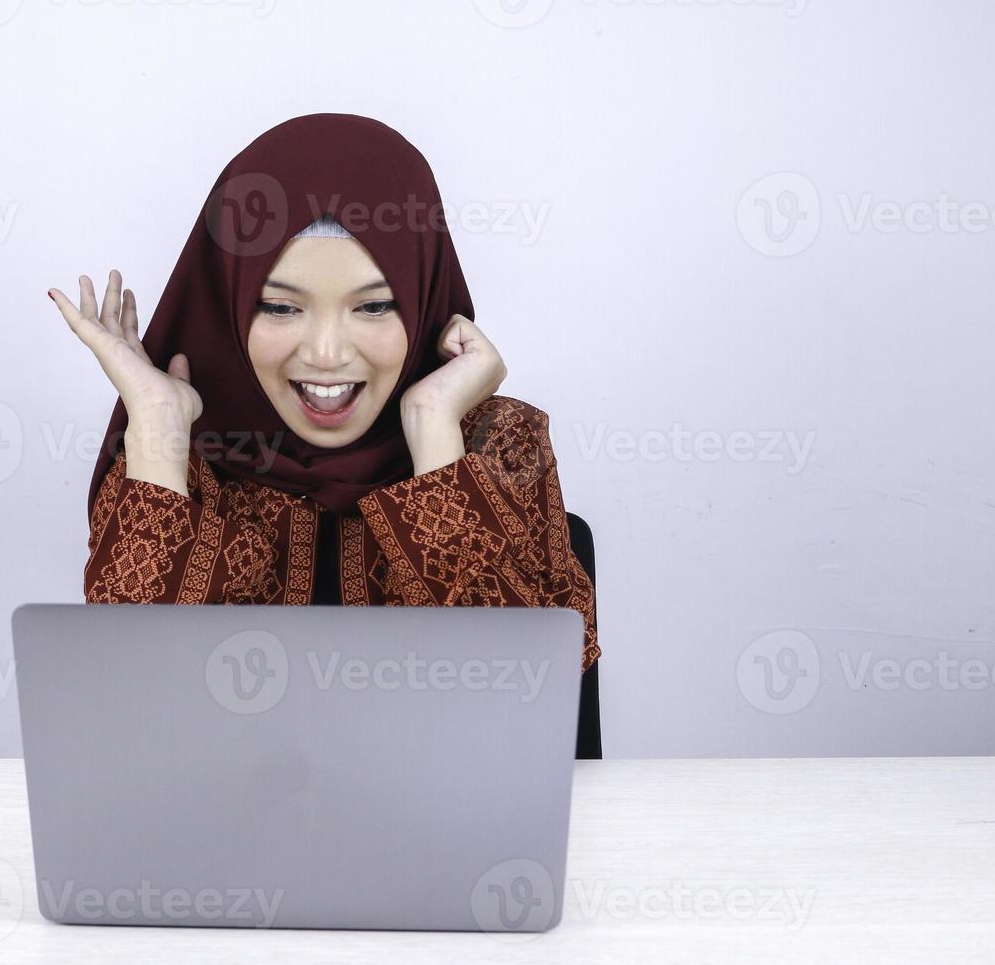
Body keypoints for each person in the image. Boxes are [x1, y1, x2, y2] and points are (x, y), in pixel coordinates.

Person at [49, 114, 600, 746]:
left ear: (422, 300)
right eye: (281, 307)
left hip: (452, 840)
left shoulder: (496, 444)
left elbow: (517, 720)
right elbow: (131, 724)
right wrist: (155, 433)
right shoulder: (178, 458)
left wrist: (435, 443)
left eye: (375, 305)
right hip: (227, 842)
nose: (328, 352)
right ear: (227, 301)